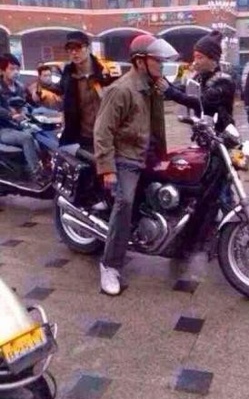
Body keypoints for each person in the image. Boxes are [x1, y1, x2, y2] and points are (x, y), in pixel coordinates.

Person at [94, 34, 179, 296]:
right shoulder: (121, 89)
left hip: (148, 155)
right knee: (125, 203)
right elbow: (102, 131)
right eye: (157, 61)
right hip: (126, 158)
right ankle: (110, 266)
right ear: (140, 62)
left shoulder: (153, 87)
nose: (161, 65)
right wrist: (108, 168)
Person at [160, 30, 236, 134]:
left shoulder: (223, 80)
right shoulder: (200, 77)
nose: (195, 62)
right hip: (204, 134)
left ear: (213, 59)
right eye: (194, 57)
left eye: (200, 57)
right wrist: (163, 81)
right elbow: (183, 89)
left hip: (221, 136)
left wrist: (170, 91)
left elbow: (201, 102)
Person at [57, 31, 116, 152]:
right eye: (70, 49)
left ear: (87, 48)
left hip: (109, 135)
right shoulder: (68, 76)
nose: (74, 52)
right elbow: (60, 98)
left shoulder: (105, 72)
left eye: (78, 47)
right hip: (84, 138)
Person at [0, 53, 46, 183]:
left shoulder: (20, 86)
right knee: (27, 138)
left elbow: (25, 104)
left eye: (17, 69)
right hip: (3, 129)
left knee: (41, 135)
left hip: (20, 125)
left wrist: (25, 112)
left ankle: (47, 168)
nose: (16, 72)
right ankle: (37, 175)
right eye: (12, 69)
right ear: (2, 70)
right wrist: (11, 115)